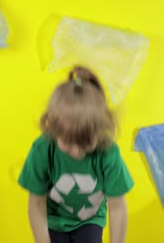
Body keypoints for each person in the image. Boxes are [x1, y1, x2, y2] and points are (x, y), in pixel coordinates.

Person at [18, 66, 134, 243]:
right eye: (67, 144)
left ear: (100, 131)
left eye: (85, 144)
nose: (76, 151)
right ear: (53, 129)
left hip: (90, 219)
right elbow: (36, 203)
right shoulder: (42, 149)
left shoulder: (108, 152)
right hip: (53, 219)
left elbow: (117, 207)